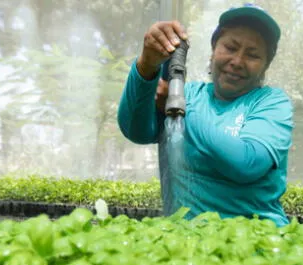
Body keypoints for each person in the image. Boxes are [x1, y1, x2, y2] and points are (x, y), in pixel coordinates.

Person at [117, 4, 293, 227]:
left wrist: (178, 107)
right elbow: (136, 130)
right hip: (186, 248)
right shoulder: (188, 94)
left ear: (265, 65)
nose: (237, 61)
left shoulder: (271, 103)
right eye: (230, 47)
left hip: (260, 245)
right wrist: (146, 65)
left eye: (253, 55)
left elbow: (247, 163)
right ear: (213, 49)